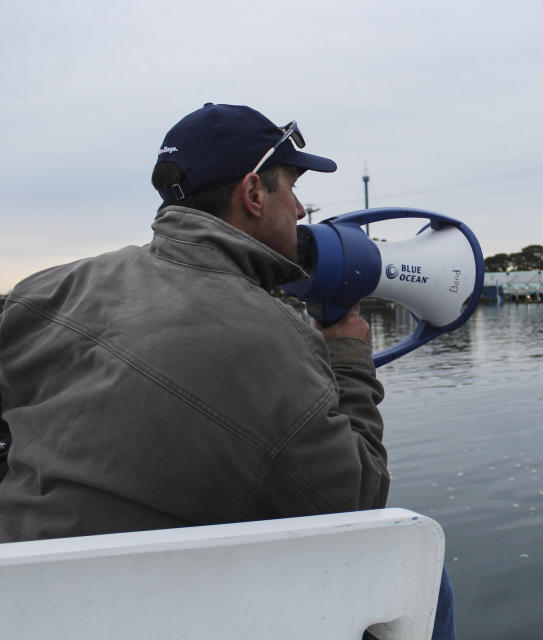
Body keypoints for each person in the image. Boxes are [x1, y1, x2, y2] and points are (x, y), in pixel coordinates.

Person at [0, 103, 454, 638]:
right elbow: (355, 503)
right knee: (425, 577)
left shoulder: (48, 289)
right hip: (163, 613)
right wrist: (347, 360)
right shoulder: (274, 337)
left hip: (21, 597)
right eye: (291, 186)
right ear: (253, 194)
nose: (302, 208)